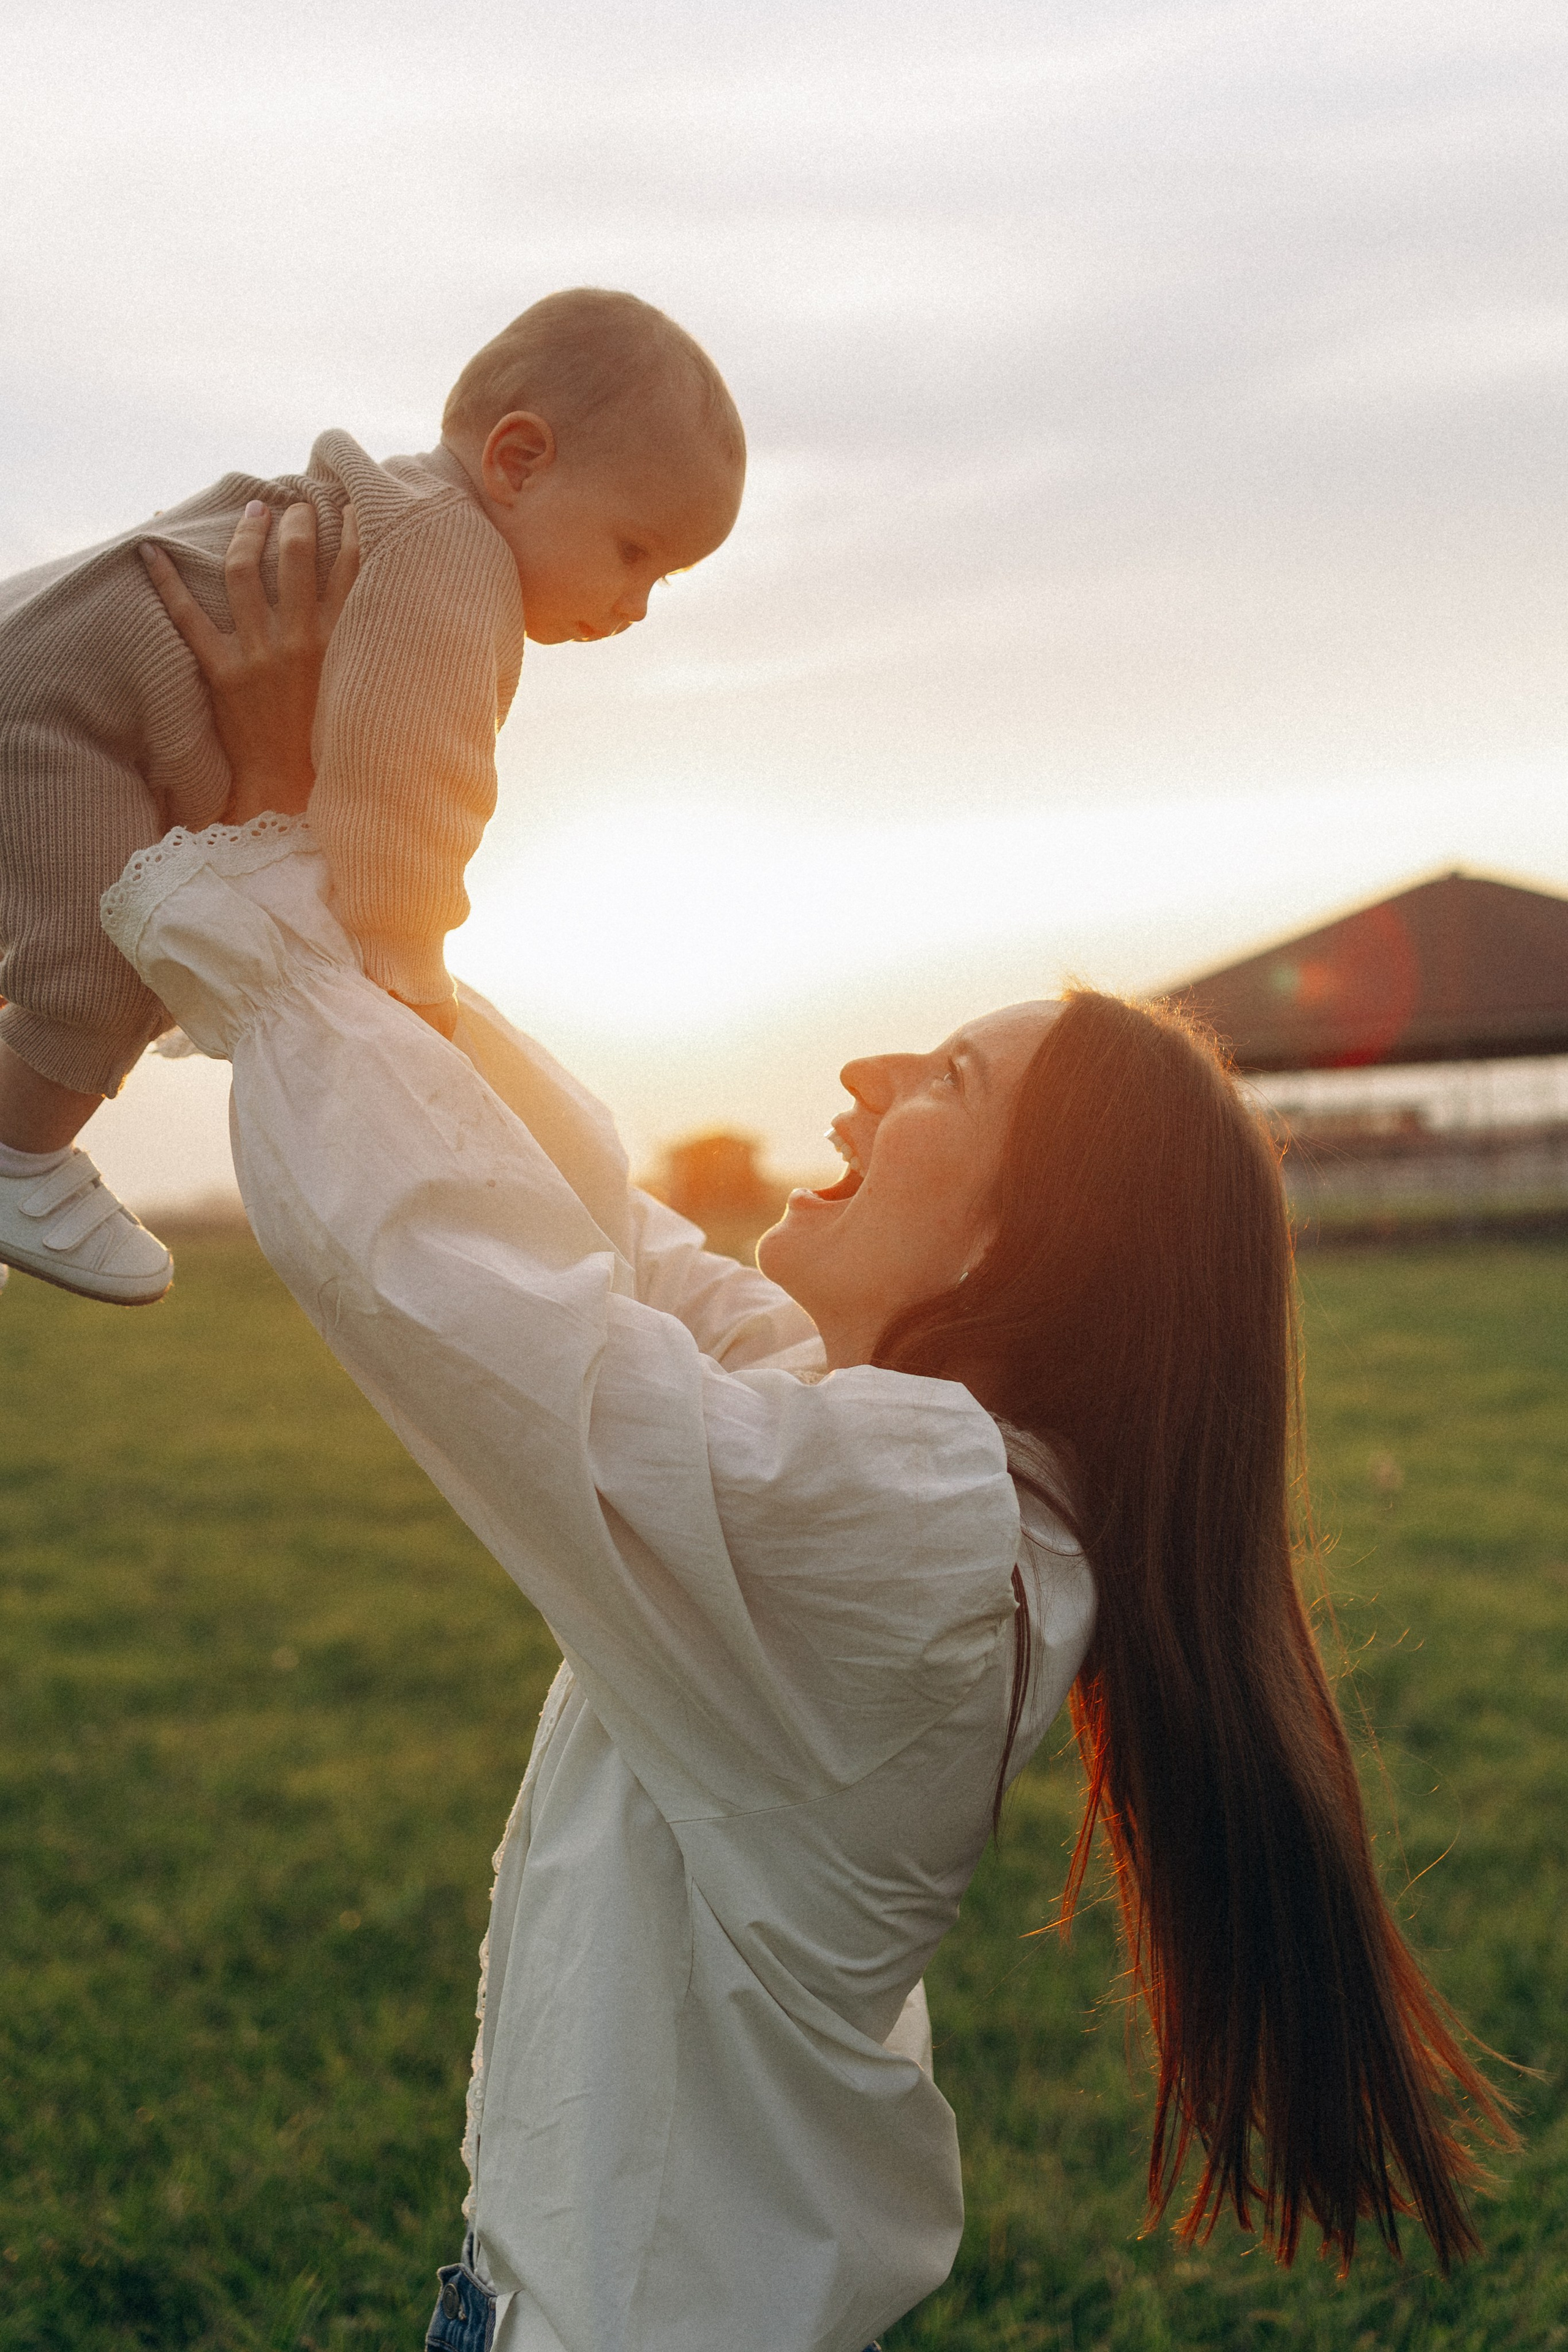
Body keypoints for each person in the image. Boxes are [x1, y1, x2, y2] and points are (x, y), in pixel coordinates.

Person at [110, 528, 1512, 2351]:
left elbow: (482, 1301)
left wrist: (233, 918)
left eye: (947, 1081)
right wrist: (337, 844)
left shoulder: (920, 1534)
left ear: (1039, 1243)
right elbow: (604, 1233)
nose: (862, 1076)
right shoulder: (916, 1478)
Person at [0, 288, 744, 1306]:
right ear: (518, 462)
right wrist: (406, 962)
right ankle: (18, 1154)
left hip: (60, 673)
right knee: (110, 946)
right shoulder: (452, 555)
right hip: (70, 712)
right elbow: (414, 786)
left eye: (664, 580)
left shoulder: (395, 516)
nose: (635, 606)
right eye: (634, 552)